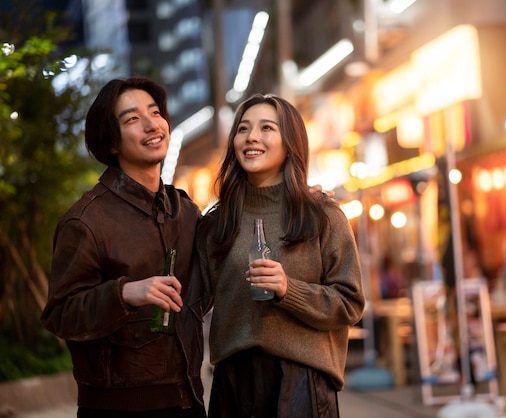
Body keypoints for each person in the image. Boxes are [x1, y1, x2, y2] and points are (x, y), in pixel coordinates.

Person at [40, 76, 206, 418]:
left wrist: (299, 200)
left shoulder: (186, 211)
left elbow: (223, 259)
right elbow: (61, 315)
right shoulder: (86, 220)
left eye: (156, 112)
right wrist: (125, 293)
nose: (151, 125)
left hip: (187, 400)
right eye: (132, 119)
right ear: (111, 141)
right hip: (117, 408)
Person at [196, 93, 365, 417]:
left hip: (302, 382)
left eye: (267, 128)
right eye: (243, 129)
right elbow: (194, 303)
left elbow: (350, 302)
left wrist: (290, 290)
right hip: (234, 382)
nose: (252, 137)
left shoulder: (323, 216)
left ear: (290, 142)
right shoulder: (216, 223)